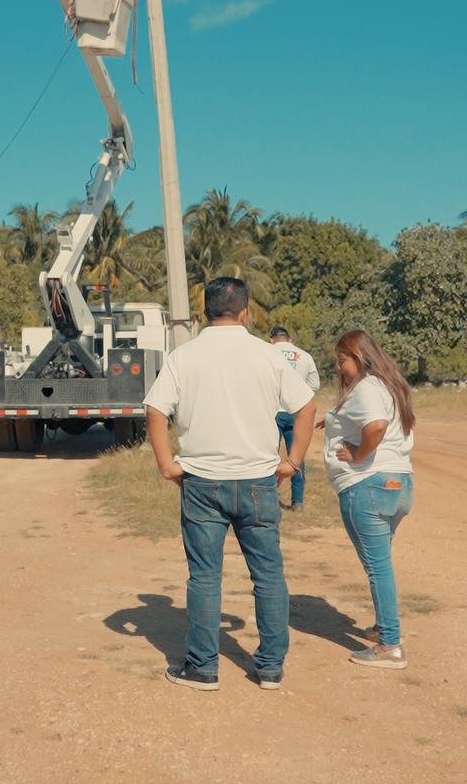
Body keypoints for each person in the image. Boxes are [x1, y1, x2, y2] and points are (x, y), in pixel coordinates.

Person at [144, 277, 316, 692]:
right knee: (268, 575)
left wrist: (166, 464)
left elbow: (154, 409)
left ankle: (203, 668)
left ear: (205, 312)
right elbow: (307, 406)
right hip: (258, 481)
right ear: (245, 312)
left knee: (205, 577)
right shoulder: (268, 355)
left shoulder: (183, 356)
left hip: (202, 483)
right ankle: (270, 667)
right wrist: (293, 461)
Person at [321, 329, 415, 670]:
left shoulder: (367, 387)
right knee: (380, 562)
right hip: (398, 484)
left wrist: (358, 454)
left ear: (359, 357)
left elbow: (375, 425)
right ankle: (383, 625)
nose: (339, 366)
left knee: (377, 567)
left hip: (367, 486)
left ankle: (390, 645)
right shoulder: (390, 385)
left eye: (342, 359)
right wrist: (332, 422)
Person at [269, 326, 320, 511]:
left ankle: (269, 497)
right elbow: (315, 384)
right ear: (289, 339)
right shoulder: (304, 356)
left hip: (273, 411)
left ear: (271, 339)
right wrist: (299, 396)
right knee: (296, 457)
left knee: (269, 455)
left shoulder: (267, 353)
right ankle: (297, 501)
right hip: (296, 413)